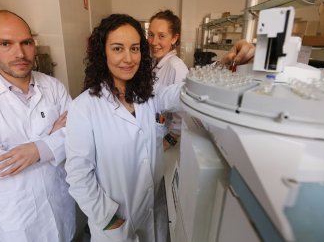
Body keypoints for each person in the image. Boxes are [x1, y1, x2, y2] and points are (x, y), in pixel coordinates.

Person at [64, 13, 254, 242]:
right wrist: (108, 219)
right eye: (117, 48)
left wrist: (225, 63)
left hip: (153, 212)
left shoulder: (149, 94)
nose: (128, 58)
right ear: (102, 53)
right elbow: (78, 176)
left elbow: (188, 90)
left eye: (134, 48)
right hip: (115, 222)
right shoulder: (84, 107)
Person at [0, 10, 76, 242]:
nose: (20, 53)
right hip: (21, 216)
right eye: (5, 43)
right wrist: (51, 142)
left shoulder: (53, 86)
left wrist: (34, 151)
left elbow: (77, 136)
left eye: (26, 42)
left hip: (61, 201)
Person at [147, 9, 188, 151]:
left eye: (161, 36)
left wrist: (168, 141)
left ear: (174, 38)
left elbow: (184, 114)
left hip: (166, 141)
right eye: (151, 35)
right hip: (153, 134)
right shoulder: (153, 63)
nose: (153, 42)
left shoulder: (177, 68)